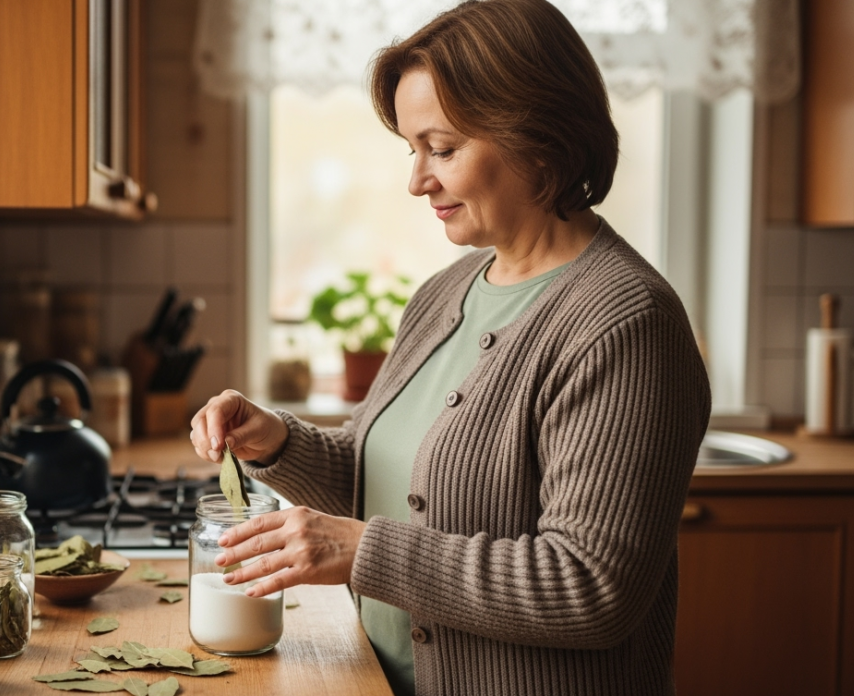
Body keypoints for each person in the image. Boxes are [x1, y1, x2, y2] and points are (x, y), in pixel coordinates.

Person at [189, 0, 710, 694]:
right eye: (413, 149)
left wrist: (359, 550)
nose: (417, 180)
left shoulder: (624, 323)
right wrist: (279, 443)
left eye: (443, 148)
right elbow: (389, 488)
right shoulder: (445, 294)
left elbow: (590, 588)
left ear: (537, 133)